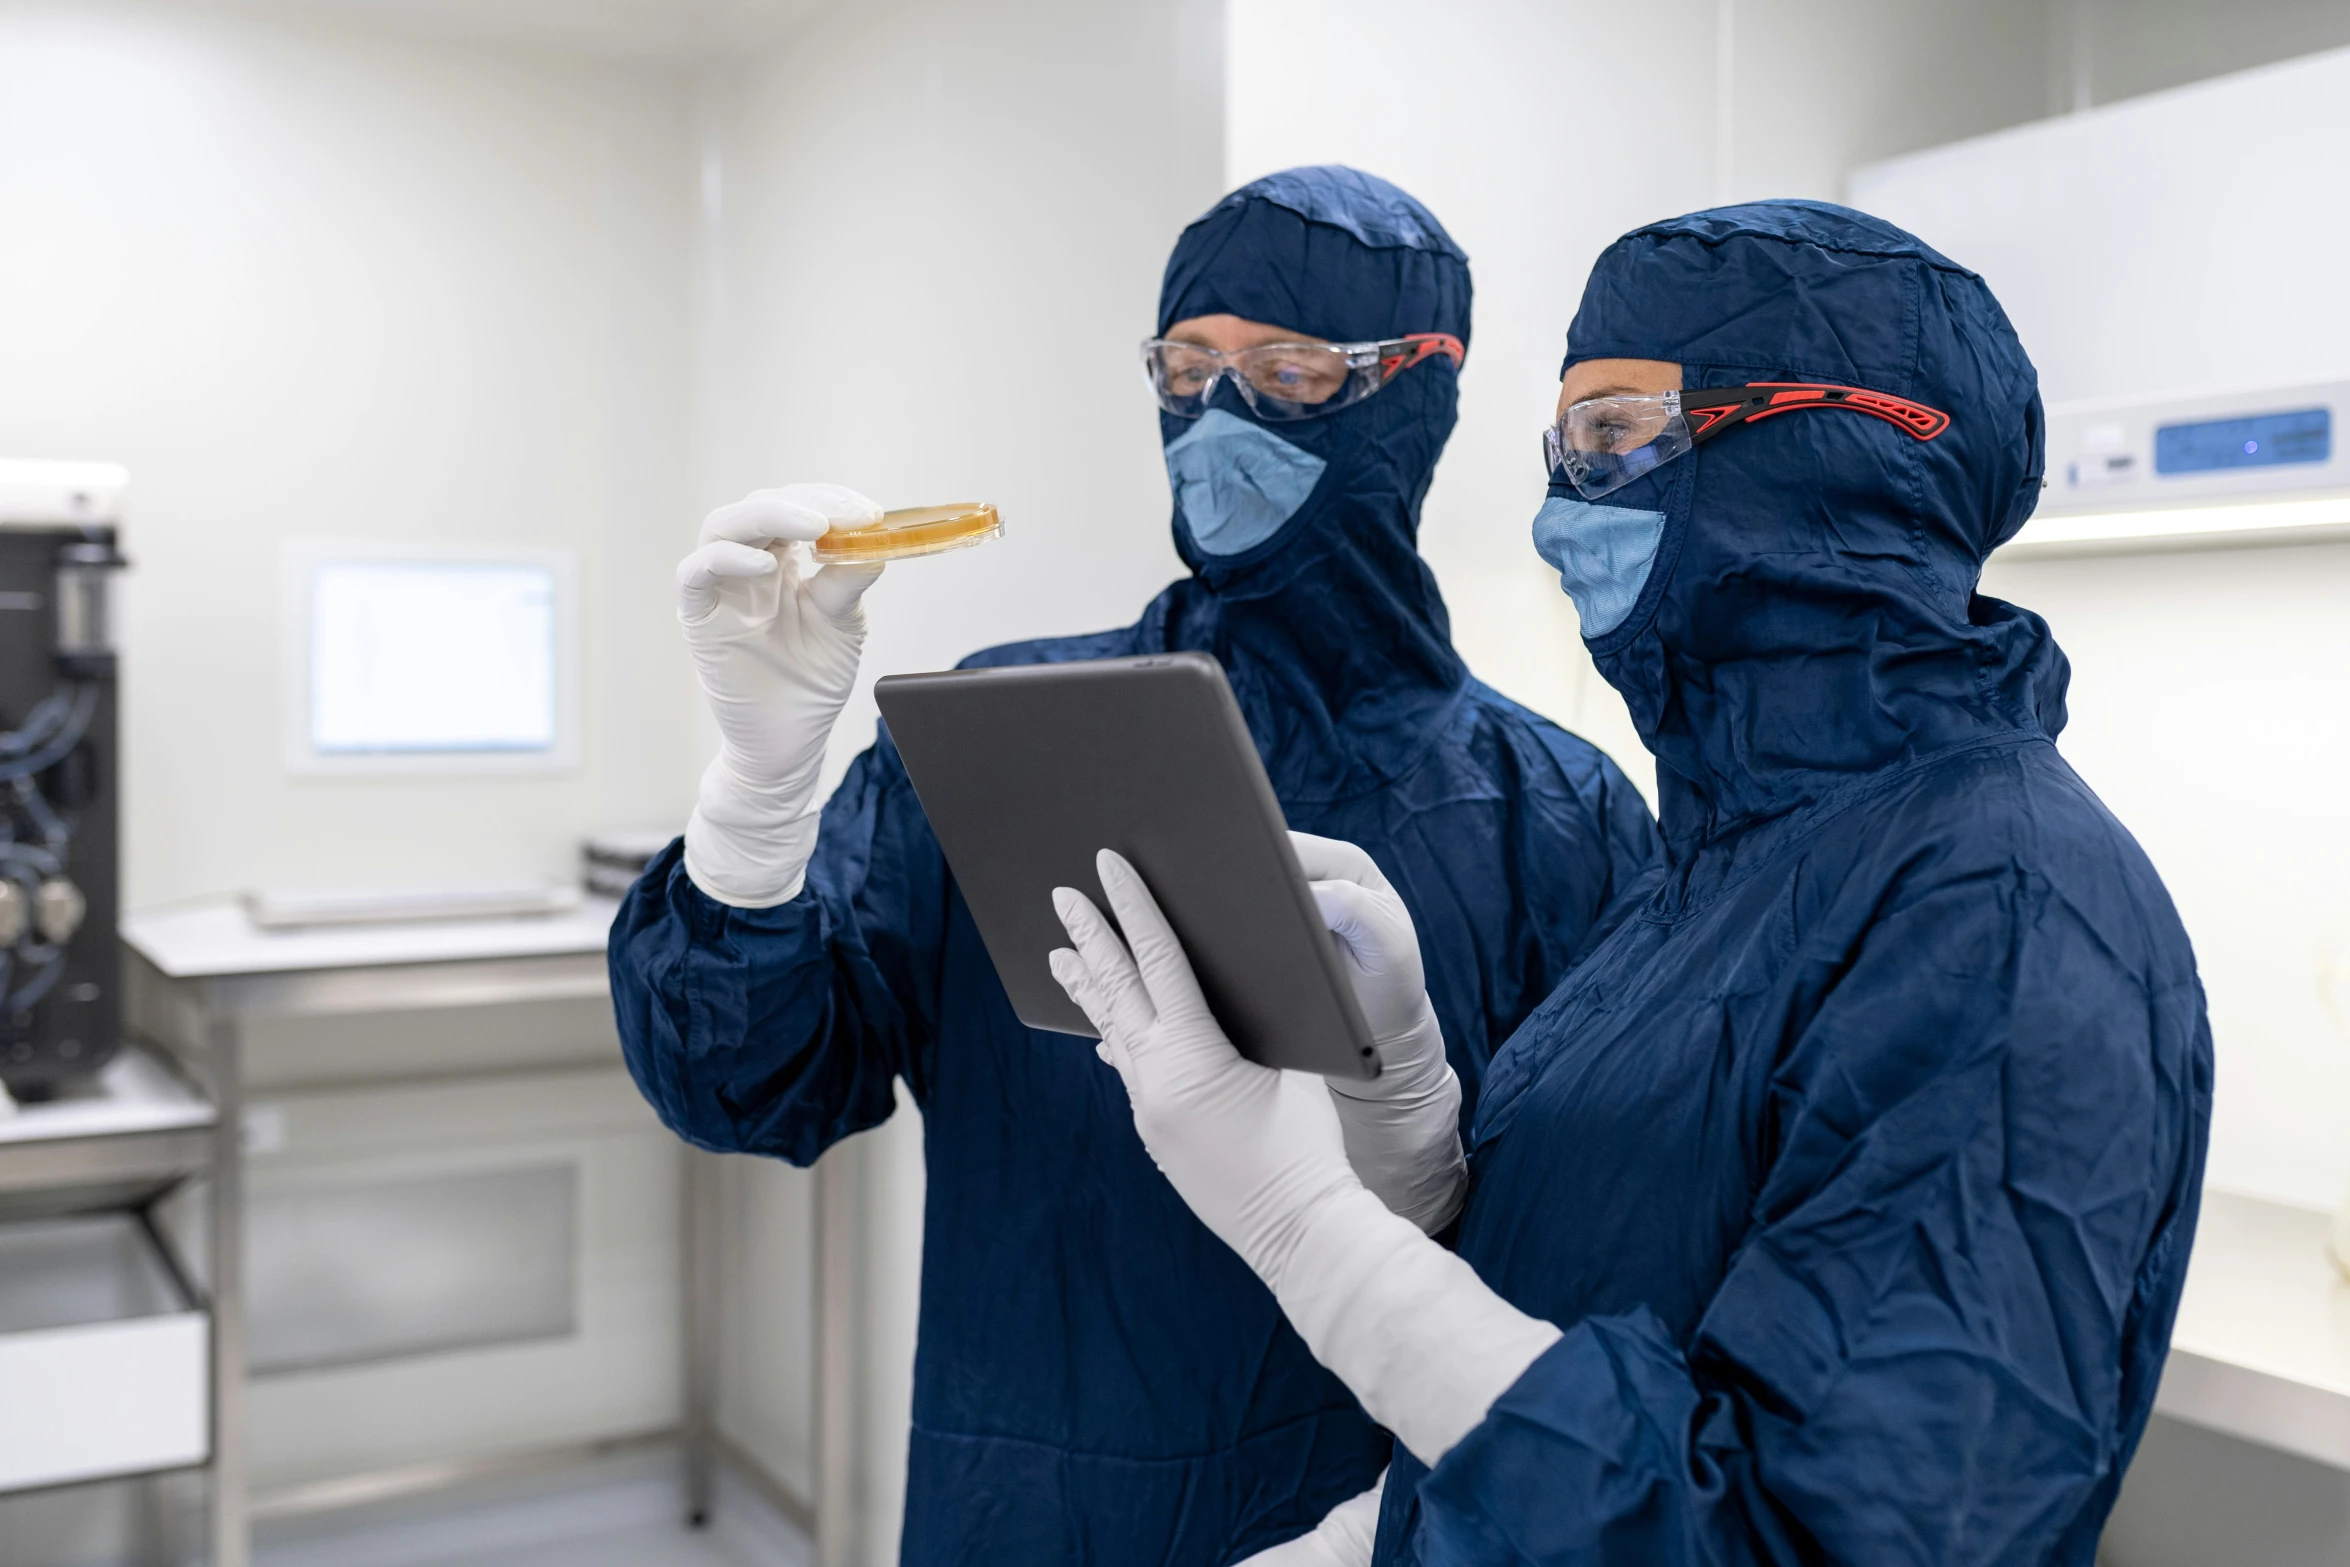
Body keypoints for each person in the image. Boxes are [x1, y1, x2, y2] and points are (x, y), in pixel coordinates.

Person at [1051, 200, 2213, 1564]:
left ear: (1836, 450)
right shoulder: (1725, 860)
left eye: (1613, 436)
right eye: (1563, 449)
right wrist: (1410, 1125)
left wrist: (1302, 1224)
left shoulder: (2006, 916)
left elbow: (1805, 1535)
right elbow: (1610, 1296)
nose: (1555, 522)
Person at [608, 165, 1660, 1565]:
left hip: (1384, 1508)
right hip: (1033, 1502)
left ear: (1417, 393)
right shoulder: (1010, 738)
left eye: (1286, 371)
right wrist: (755, 803)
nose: (1215, 416)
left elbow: (1597, 1263)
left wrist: (1402, 1522)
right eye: (1185, 366)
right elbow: (751, 1083)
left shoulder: (1557, 812)